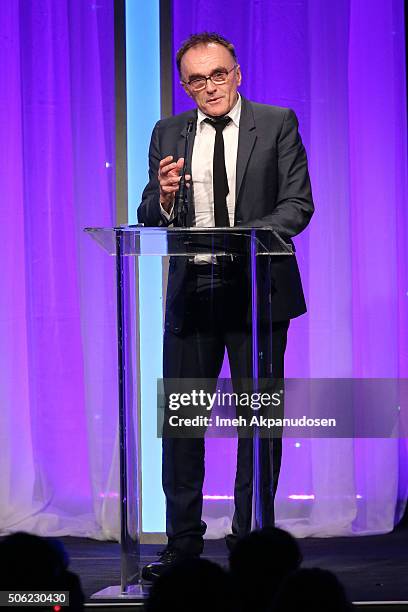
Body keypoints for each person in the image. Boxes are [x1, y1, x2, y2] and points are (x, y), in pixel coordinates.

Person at [138, 32, 314, 581]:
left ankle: (251, 544)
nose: (209, 87)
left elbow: (297, 204)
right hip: (194, 296)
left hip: (257, 294)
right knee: (183, 425)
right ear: (184, 85)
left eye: (218, 75)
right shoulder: (168, 131)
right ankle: (182, 546)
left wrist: (245, 239)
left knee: (257, 425)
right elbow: (149, 213)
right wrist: (164, 196)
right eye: (196, 79)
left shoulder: (277, 121)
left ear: (237, 73)